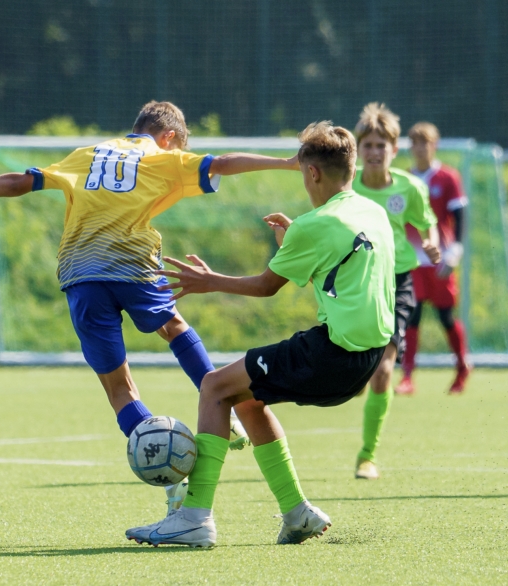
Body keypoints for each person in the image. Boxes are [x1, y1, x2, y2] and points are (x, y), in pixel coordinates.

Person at [0, 100, 299, 489]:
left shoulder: (86, 154)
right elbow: (221, 163)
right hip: (133, 264)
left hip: (80, 272)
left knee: (119, 389)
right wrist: (285, 164)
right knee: (173, 326)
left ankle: (171, 483)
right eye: (179, 147)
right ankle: (218, 401)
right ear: (169, 138)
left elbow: (17, 183)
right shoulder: (160, 158)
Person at [124, 121, 395, 547]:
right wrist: (295, 241)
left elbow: (266, 286)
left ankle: (193, 518)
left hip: (332, 354)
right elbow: (340, 268)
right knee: (249, 400)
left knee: (214, 387)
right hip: (369, 356)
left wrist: (209, 279)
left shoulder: (315, 225)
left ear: (312, 173)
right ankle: (297, 512)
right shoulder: (371, 212)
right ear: (353, 167)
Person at [350, 103, 440, 480]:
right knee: (351, 376)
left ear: (393, 150)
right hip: (353, 283)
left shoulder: (409, 188)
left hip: (398, 282)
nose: (374, 152)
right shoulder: (346, 185)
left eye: (380, 145)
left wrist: (432, 243)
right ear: (358, 149)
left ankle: (367, 456)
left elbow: (426, 224)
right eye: (367, 144)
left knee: (384, 369)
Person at [396, 121, 471, 396]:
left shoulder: (448, 178)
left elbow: (459, 216)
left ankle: (462, 366)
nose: (419, 148)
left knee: (445, 316)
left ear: (434, 145)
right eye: (415, 143)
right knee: (411, 316)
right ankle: (407, 376)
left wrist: (456, 250)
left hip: (439, 260)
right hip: (412, 261)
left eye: (425, 143)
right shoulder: (402, 179)